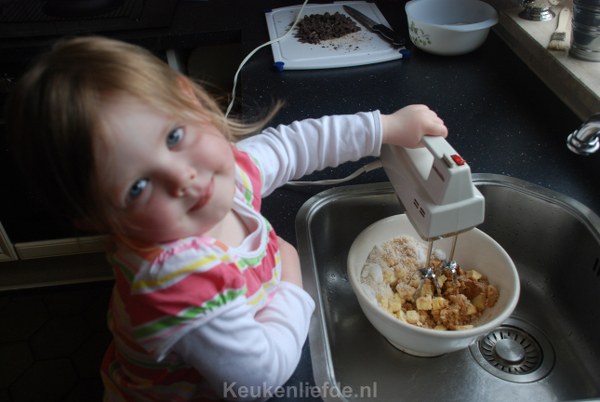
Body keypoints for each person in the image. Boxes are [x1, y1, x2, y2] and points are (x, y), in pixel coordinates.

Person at [6, 36, 447, 401]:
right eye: (137, 187)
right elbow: (257, 380)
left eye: (173, 136)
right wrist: (290, 275)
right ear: (98, 218)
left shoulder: (223, 175)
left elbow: (292, 146)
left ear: (189, 101)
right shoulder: (179, 282)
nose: (183, 178)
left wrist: (383, 128)